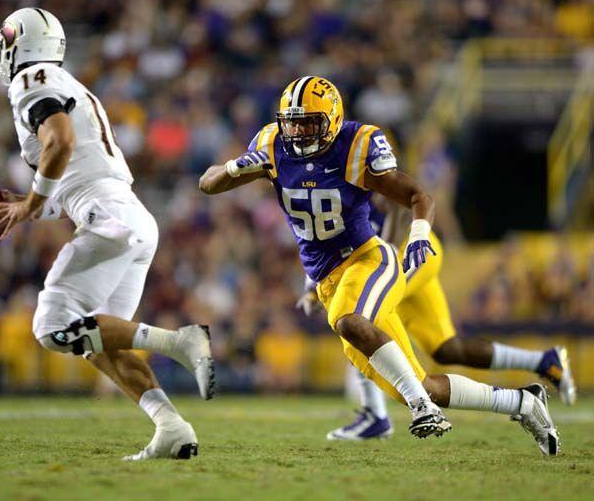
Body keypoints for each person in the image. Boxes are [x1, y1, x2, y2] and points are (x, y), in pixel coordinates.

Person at [199, 76, 560, 455]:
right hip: (328, 279)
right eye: (293, 122)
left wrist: (419, 232)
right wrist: (235, 167)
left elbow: (417, 195)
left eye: (309, 122)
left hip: (369, 258)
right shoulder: (273, 145)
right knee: (419, 382)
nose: (299, 131)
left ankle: (423, 410)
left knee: (350, 321)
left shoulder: (354, 145)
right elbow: (208, 185)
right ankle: (523, 403)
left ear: (333, 120)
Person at [0, 8, 215, 460]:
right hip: (129, 218)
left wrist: (32, 201)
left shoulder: (29, 80)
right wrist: (32, 203)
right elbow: (74, 179)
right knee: (96, 340)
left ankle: (177, 341)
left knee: (52, 326)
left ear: (20, 44)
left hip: (108, 218)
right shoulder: (72, 85)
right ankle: (171, 426)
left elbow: (61, 142)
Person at [295, 197, 575, 441]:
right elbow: (322, 237)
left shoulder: (352, 159)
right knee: (445, 348)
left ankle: (375, 415)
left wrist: (386, 258)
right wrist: (312, 286)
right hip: (405, 256)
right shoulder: (308, 178)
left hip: (407, 253)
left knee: (361, 318)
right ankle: (542, 362)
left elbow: (398, 204)